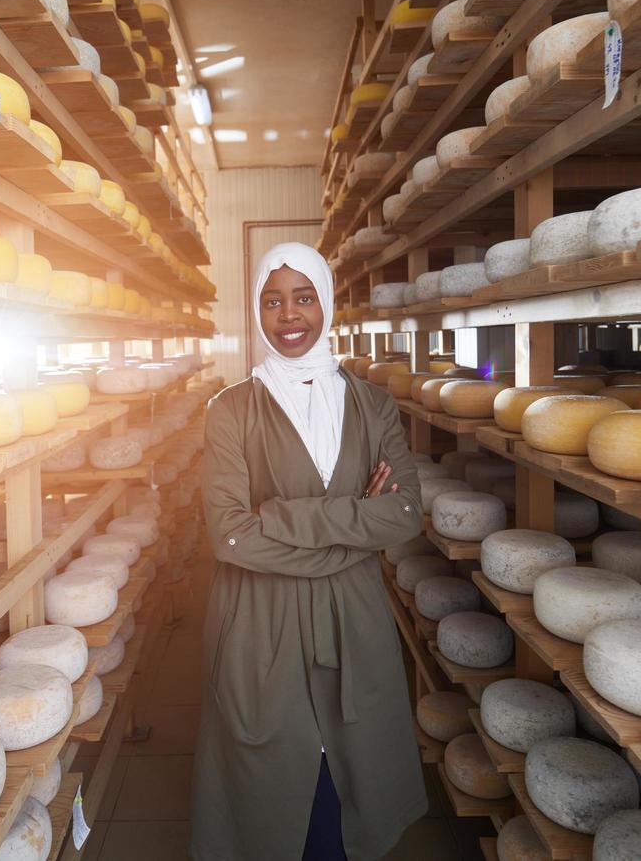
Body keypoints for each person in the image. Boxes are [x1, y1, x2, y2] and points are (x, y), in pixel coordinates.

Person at [189, 242, 427, 860]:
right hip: (258, 625)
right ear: (257, 311)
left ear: (325, 302)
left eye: (303, 297)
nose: (289, 316)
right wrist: (354, 526)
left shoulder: (372, 404)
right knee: (272, 783)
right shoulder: (230, 411)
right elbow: (229, 534)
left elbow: (402, 513)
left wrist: (276, 517)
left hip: (354, 618)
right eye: (273, 301)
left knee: (352, 779)